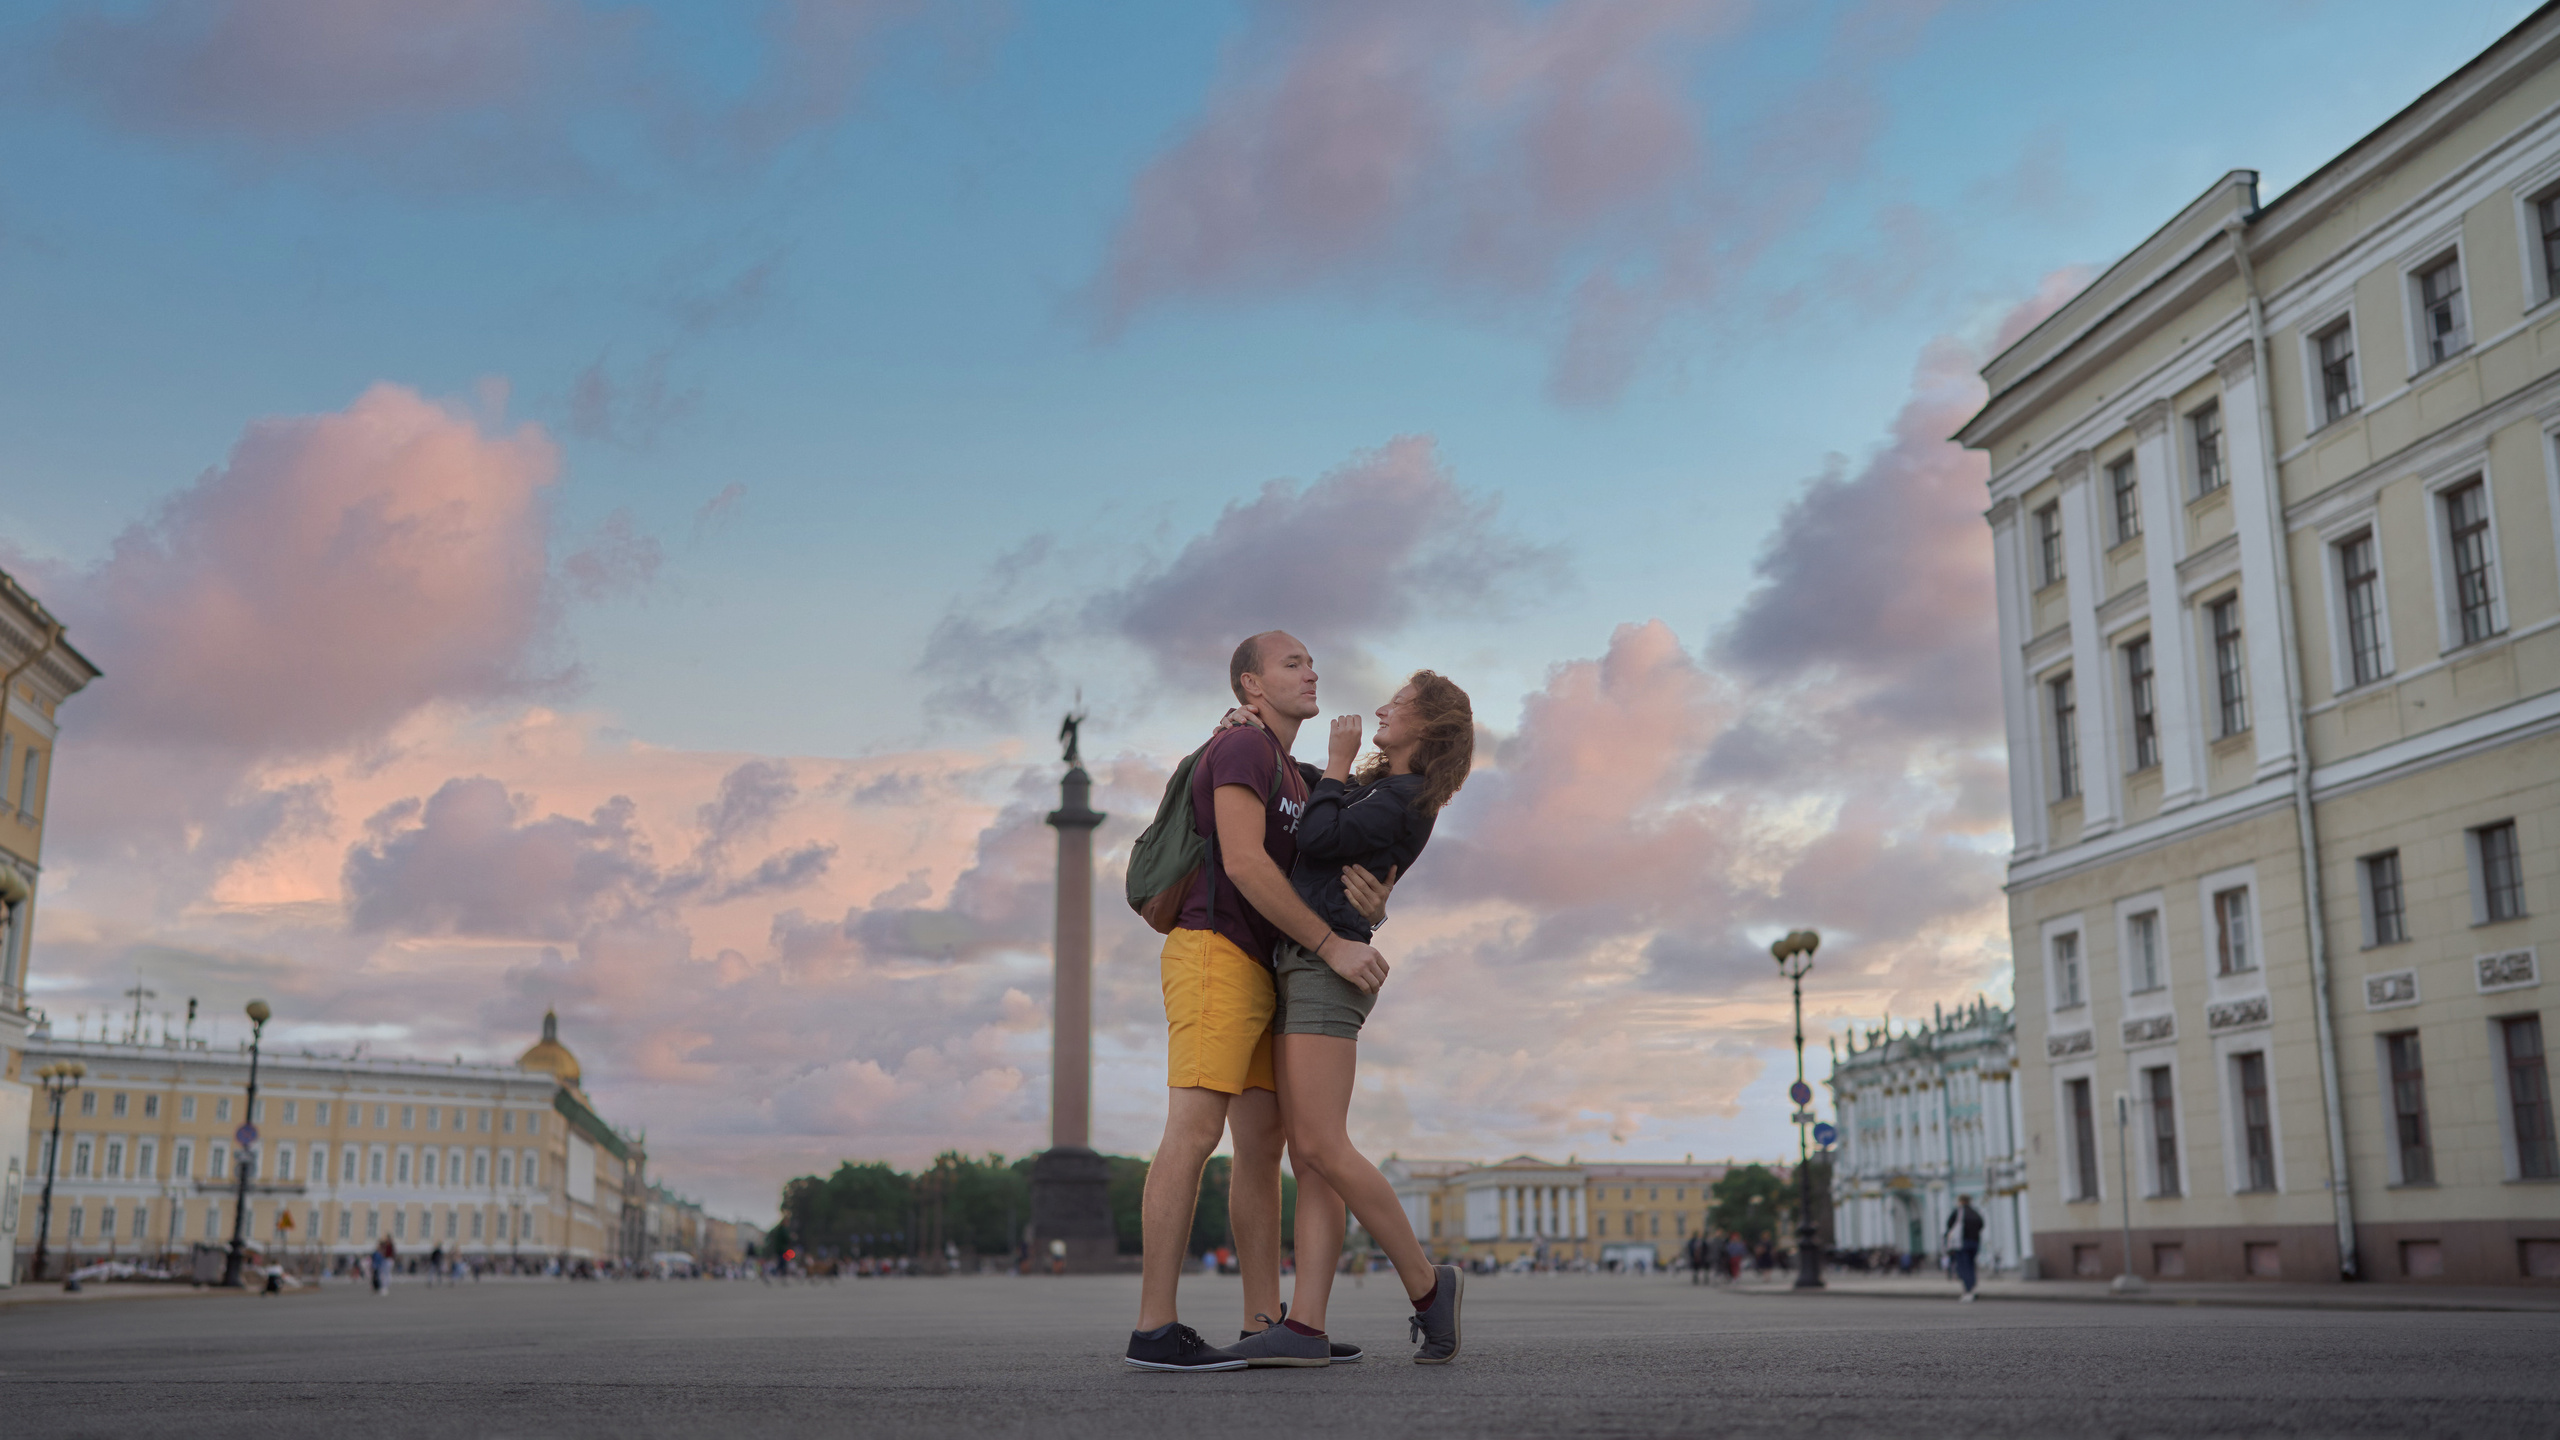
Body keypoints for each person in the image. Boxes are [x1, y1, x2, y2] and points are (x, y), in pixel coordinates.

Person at [1125, 632, 1395, 1374]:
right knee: (1194, 1125)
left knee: (1262, 1144)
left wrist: (1380, 889)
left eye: (1312, 661)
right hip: (1215, 950)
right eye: (1292, 663)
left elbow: (1379, 807)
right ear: (1251, 685)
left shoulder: (1297, 773)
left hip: (1261, 967)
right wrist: (1333, 944)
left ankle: (1260, 1323)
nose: (1312, 671)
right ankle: (1154, 1328)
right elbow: (1243, 861)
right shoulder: (1241, 751)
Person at [1945, 1195, 1985, 1302]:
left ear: (1960, 1201)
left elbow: (1949, 1225)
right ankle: (1973, 1288)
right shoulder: (1975, 1212)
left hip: (1962, 1243)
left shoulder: (1958, 1212)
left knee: (1964, 1267)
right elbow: (1981, 1224)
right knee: (1972, 1266)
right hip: (1975, 1242)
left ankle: (1968, 1291)